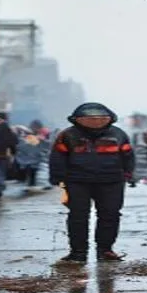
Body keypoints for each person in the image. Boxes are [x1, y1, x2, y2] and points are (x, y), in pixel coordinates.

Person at [49, 103, 135, 264]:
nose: (95, 121)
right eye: (90, 118)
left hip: (112, 181)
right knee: (77, 217)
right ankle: (78, 253)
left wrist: (128, 174)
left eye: (99, 118)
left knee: (110, 215)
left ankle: (105, 250)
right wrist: (58, 177)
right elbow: (58, 157)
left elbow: (128, 156)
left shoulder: (118, 134)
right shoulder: (67, 135)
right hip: (77, 181)